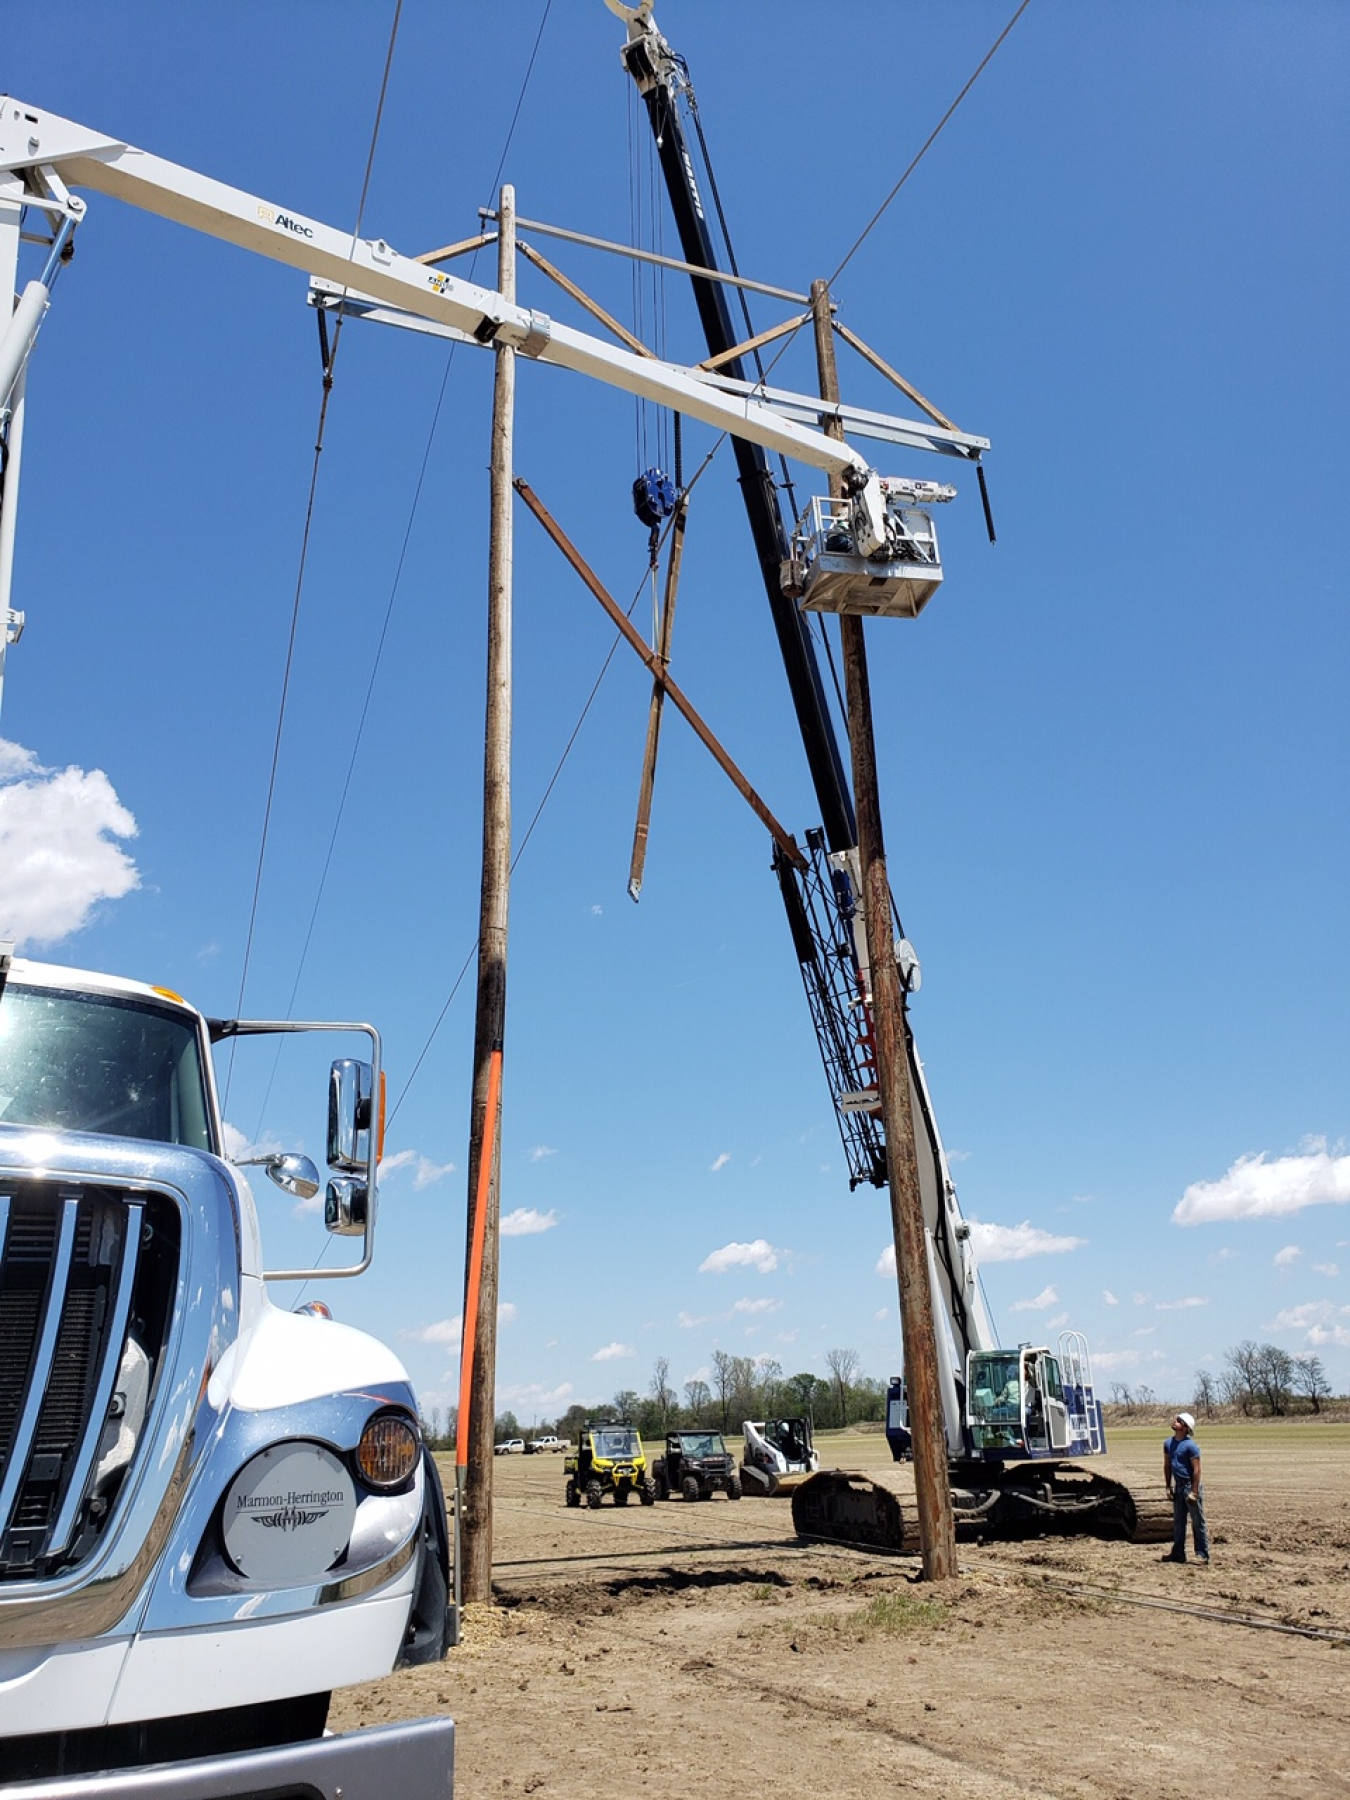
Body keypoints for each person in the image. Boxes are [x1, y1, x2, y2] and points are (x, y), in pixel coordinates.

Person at [1161, 1410, 1209, 1565]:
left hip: (1190, 1486)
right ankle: (1178, 1553)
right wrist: (1168, 1486)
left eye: (1179, 1421)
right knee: (1179, 1522)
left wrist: (1194, 1491)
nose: (1175, 1421)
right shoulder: (1168, 1443)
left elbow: (1197, 1470)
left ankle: (1202, 1554)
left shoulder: (1191, 1446)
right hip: (1178, 1487)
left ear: (1185, 1427)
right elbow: (1167, 1465)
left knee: (1197, 1522)